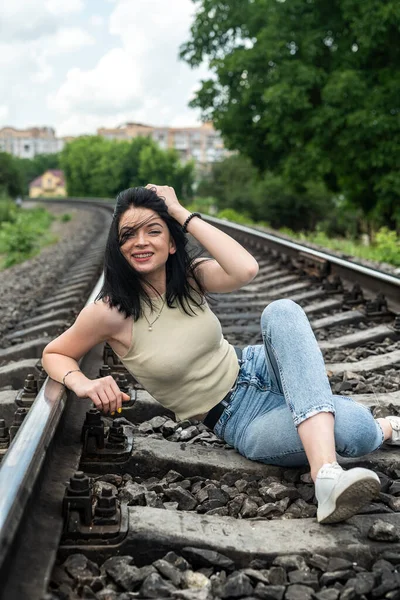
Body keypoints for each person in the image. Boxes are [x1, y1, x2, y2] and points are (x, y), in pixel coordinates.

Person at [42, 185, 400, 524]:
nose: (140, 242)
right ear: (118, 248)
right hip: (239, 420)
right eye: (128, 235)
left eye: (153, 230)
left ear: (170, 243)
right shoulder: (110, 312)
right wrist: (84, 383)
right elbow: (55, 353)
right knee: (354, 431)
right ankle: (383, 426)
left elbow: (246, 269)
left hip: (257, 366)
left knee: (282, 311)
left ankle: (325, 476)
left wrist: (179, 211)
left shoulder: (191, 278)